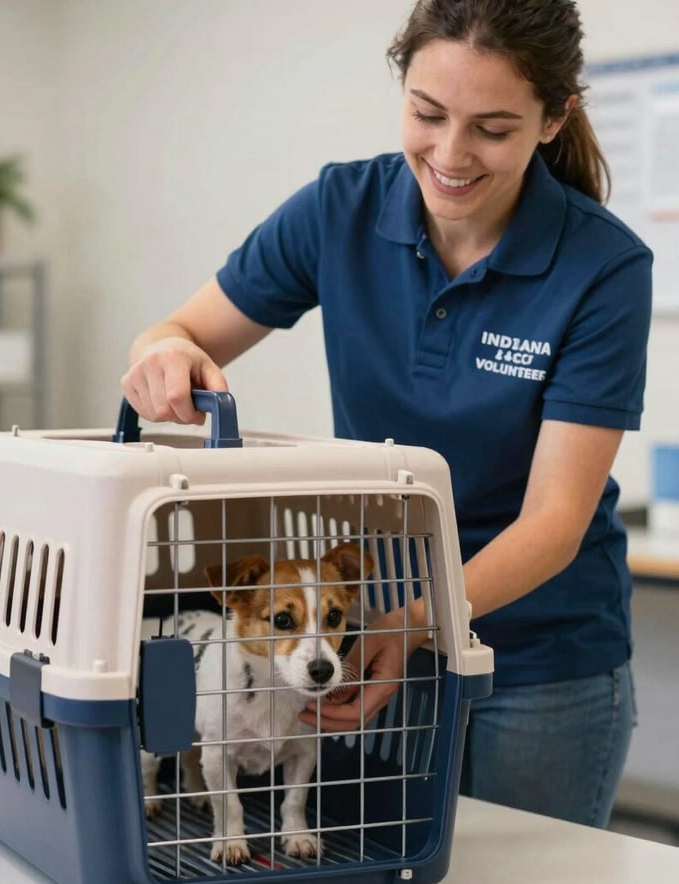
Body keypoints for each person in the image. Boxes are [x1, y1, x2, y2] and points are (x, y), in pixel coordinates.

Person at [121, 0, 652, 829]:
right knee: (384, 855)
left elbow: (553, 522)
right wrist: (164, 351)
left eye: (493, 129)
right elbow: (180, 330)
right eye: (427, 113)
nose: (449, 154)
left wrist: (408, 625)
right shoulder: (340, 209)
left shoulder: (603, 267)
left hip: (540, 659)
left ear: (555, 120)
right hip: (373, 643)